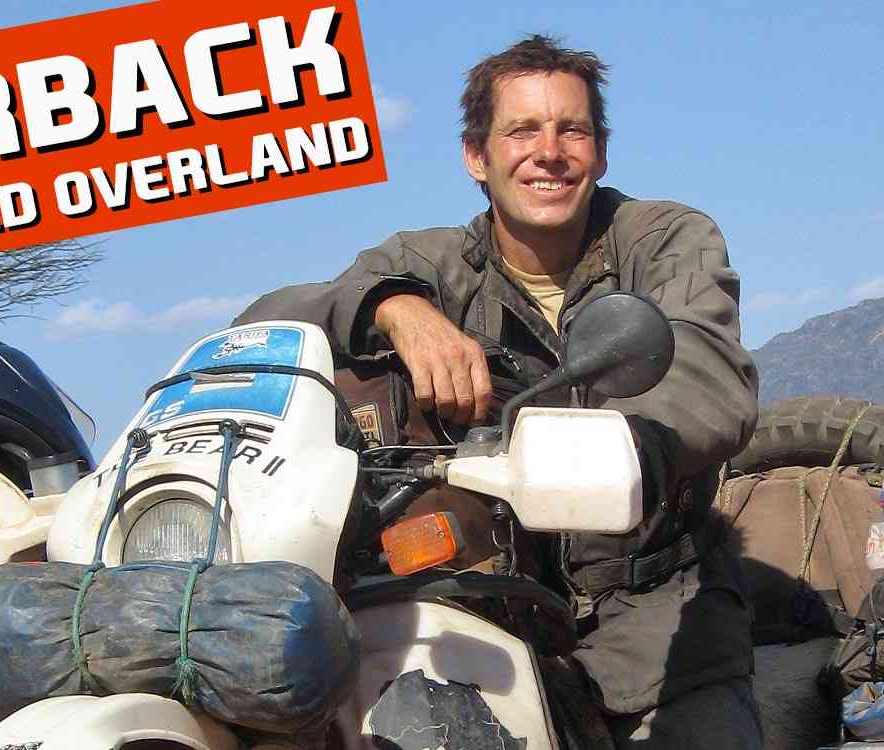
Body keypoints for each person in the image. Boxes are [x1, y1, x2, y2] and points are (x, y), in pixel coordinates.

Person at [234, 35, 762, 749]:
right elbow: (266, 322)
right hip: (489, 623)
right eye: (521, 131)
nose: (549, 152)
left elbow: (704, 364)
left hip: (660, 627)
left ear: (601, 153)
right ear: (476, 157)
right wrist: (392, 306)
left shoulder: (664, 237)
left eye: (572, 130)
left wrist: (619, 450)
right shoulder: (425, 263)